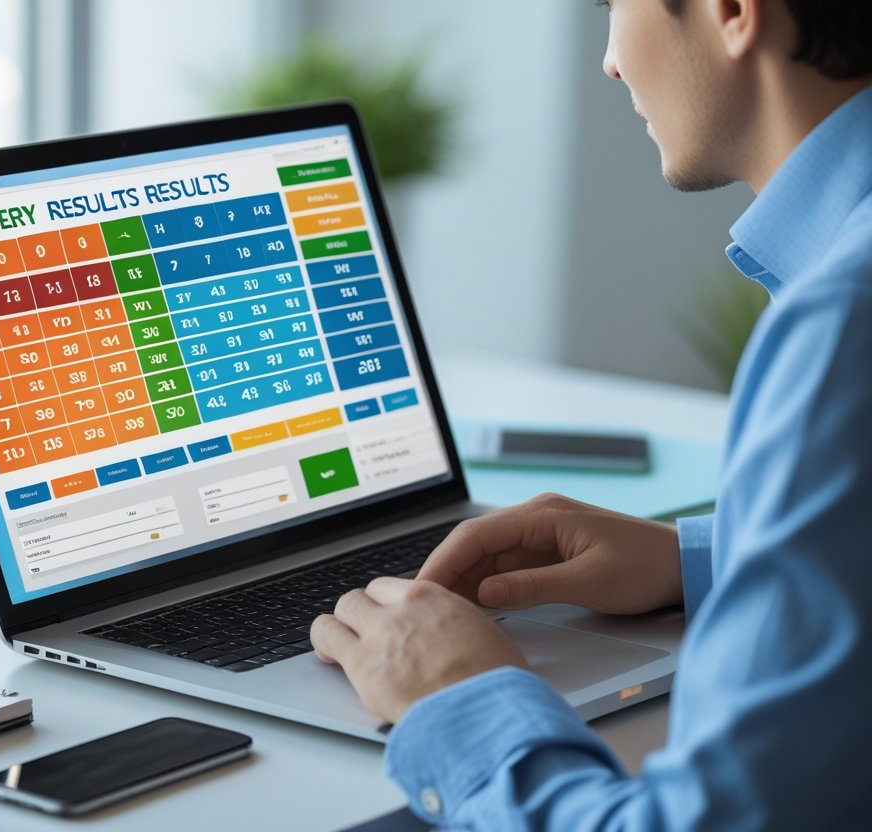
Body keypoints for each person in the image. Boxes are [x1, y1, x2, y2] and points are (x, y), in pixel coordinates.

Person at [309, 0, 872, 828]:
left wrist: (466, 699)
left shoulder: (842, 324)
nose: (611, 60)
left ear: (732, 11)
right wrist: (705, 561)